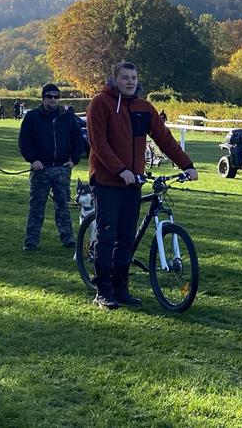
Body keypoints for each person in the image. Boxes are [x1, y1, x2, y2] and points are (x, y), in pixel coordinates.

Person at [86, 61, 198, 309]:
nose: (130, 82)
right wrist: (120, 169)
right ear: (114, 80)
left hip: (132, 182)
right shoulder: (100, 104)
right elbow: (98, 143)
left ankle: (121, 288)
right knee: (107, 236)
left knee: (126, 238)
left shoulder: (143, 108)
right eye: (125, 77)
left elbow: (165, 139)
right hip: (106, 181)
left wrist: (187, 165)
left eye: (134, 78)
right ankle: (102, 291)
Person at [18, 84, 84, 251]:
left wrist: (74, 160)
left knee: (63, 206)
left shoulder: (68, 116)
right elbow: (24, 141)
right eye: (49, 96)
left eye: (56, 97)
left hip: (62, 168)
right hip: (41, 168)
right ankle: (31, 241)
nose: (53, 100)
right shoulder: (32, 117)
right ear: (43, 98)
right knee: (37, 207)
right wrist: (33, 160)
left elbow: (78, 139)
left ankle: (68, 238)